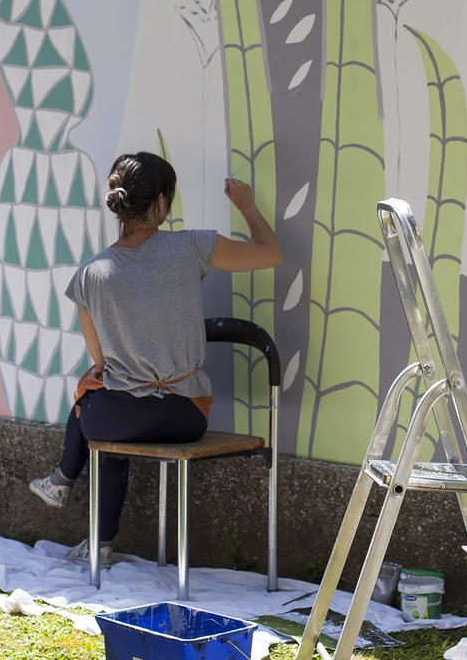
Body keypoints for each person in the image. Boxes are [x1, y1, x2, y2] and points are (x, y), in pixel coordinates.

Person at [27, 150, 282, 567]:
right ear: (161, 201)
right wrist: (248, 206)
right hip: (187, 416)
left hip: (118, 417)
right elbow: (271, 253)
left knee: (91, 404)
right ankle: (79, 511)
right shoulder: (192, 246)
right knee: (101, 412)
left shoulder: (90, 273)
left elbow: (100, 362)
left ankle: (79, 509)